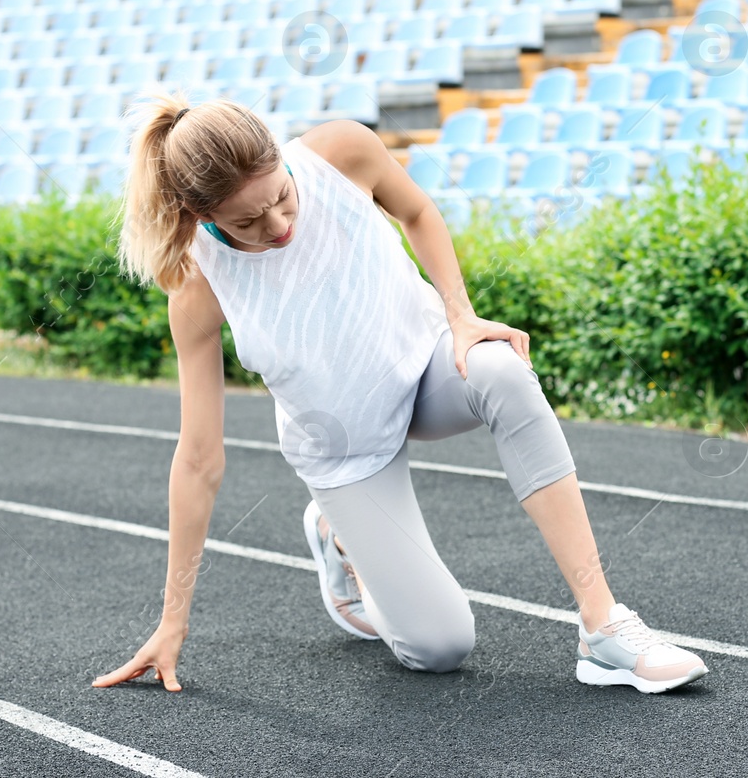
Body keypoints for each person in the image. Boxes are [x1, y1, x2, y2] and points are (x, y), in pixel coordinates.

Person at [91, 91, 708, 695]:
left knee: (502, 371)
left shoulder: (341, 151)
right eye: (247, 222)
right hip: (345, 447)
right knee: (440, 650)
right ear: (203, 217)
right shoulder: (197, 282)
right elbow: (199, 459)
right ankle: (340, 538)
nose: (278, 226)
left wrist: (461, 316)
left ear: (281, 156)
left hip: (422, 371)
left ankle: (603, 627)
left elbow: (416, 211)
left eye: (281, 197)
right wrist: (174, 619)